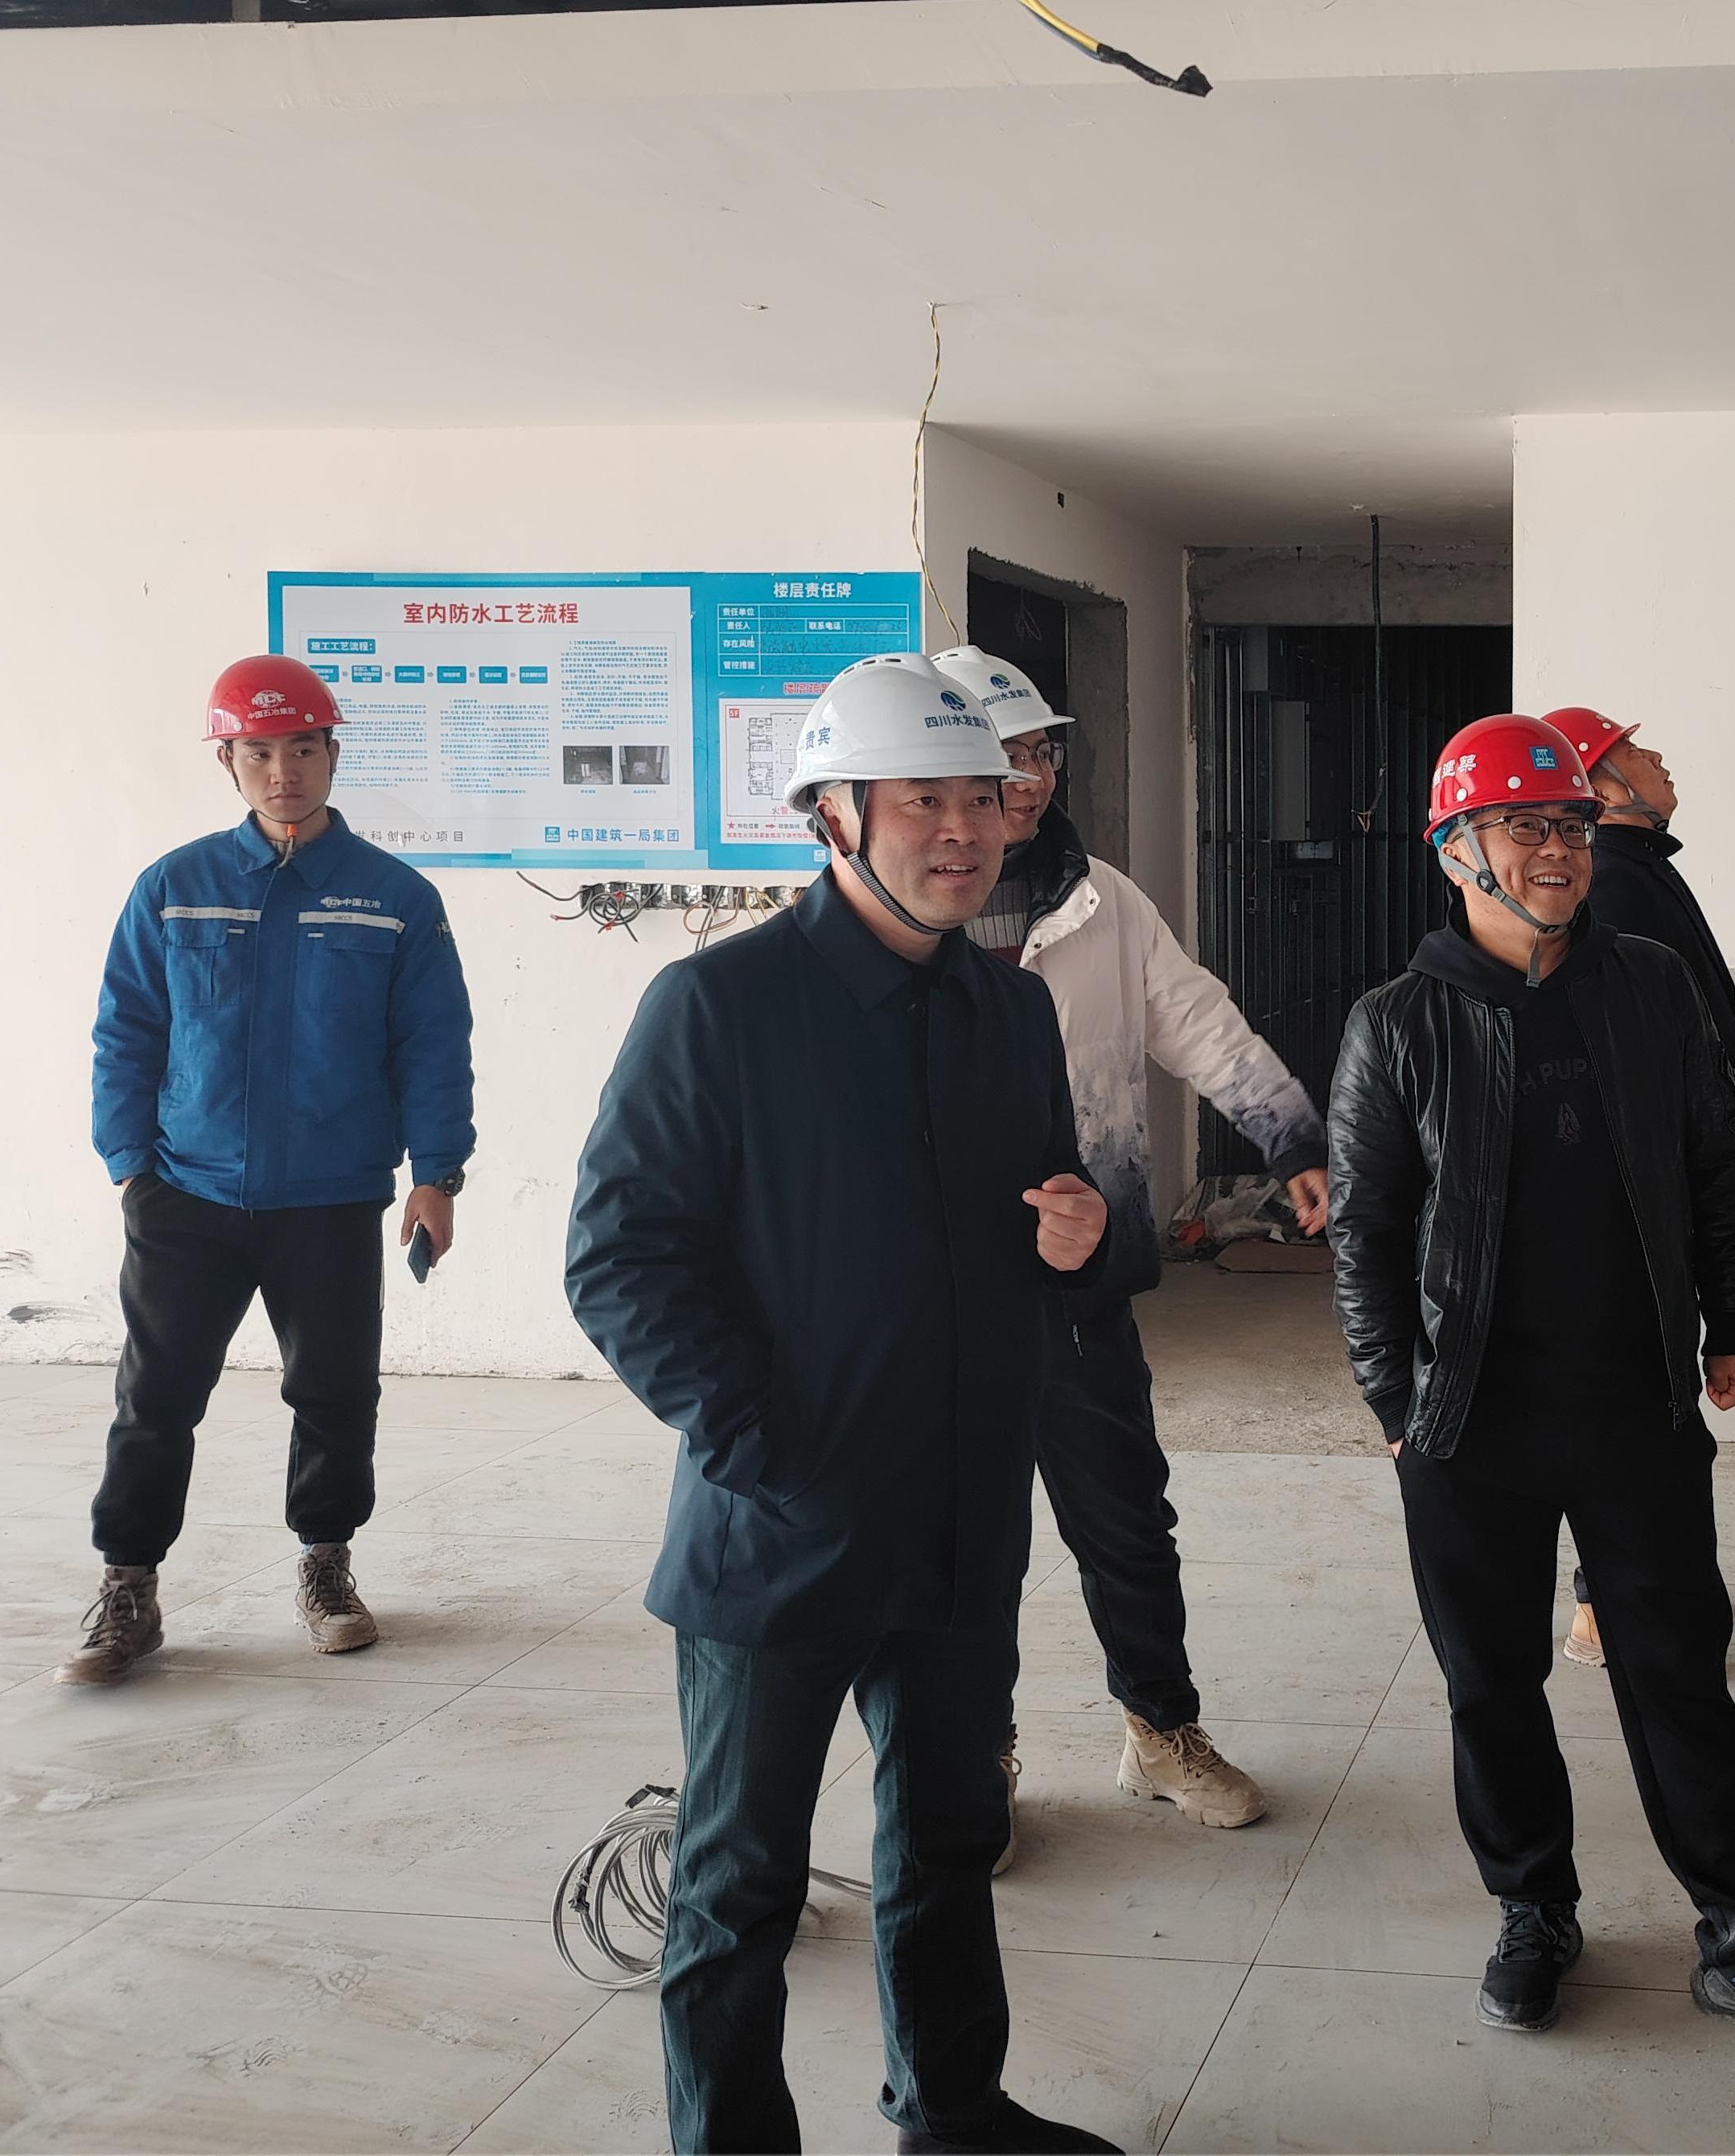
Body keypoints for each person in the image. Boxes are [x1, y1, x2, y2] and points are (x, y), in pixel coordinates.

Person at [566, 652, 1119, 2156]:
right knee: (739, 1879)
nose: (964, 830)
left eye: (982, 799)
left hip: (960, 1519)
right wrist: (767, 1451)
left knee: (950, 1835)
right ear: (834, 817)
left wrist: (1083, 1235)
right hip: (782, 1533)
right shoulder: (720, 1005)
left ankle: (953, 2109)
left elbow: (1056, 1214)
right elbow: (620, 1259)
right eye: (922, 802)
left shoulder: (1009, 1011)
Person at [1325, 713, 1735, 2069]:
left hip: (1636, 1407)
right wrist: (1397, 1407)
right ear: (1456, 851)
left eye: (1571, 824)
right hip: (1472, 1426)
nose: (1558, 850)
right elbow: (1366, 1235)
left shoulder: (1645, 985)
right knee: (1491, 1685)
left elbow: (1715, 1162)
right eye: (1524, 827)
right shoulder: (1397, 1024)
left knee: (1682, 1680)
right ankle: (1533, 1910)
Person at [931, 646, 1327, 1845]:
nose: (1031, 776)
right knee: (966, 1540)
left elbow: (1198, 1022)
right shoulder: (896, 911)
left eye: (1042, 750)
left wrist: (1293, 1135)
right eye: (1004, 754)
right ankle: (974, 1754)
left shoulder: (1101, 899)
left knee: (1126, 1522)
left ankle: (1161, 1729)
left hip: (1080, 1278)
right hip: (934, 1292)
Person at [66, 655, 474, 1686]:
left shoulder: (396, 898)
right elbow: (127, 1032)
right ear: (228, 762)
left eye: (301, 750)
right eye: (258, 753)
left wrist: (438, 1174)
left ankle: (326, 1566)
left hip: (330, 1198)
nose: (282, 773)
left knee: (335, 1393)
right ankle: (128, 1586)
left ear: (333, 753)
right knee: (156, 1396)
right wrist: (129, 1166)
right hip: (186, 1194)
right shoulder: (175, 889)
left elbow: (432, 1046)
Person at [1542, 706, 1735, 1671]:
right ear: (1602, 787)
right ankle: (1605, 1604)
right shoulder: (1616, 884)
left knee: (1656, 1409)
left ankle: (1640, 1587)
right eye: (1635, 752)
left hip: (1675, 1188)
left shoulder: (1642, 870)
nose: (1658, 759)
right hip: (1648, 1198)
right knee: (1634, 1411)